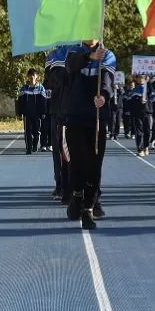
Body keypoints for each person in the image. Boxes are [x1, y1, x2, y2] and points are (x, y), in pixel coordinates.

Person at [63, 40, 116, 230]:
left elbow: (109, 80)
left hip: (97, 118)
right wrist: (89, 57)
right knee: (77, 162)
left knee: (94, 164)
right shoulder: (73, 52)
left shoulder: (108, 55)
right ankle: (77, 195)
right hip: (75, 116)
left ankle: (88, 208)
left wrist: (104, 95)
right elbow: (70, 67)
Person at [44, 46, 74, 202]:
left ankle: (77, 187)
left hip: (78, 111)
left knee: (77, 151)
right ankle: (61, 186)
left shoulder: (84, 51)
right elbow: (48, 82)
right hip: (58, 111)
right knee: (59, 151)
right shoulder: (54, 56)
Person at [16, 69, 47, 155]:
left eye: (33, 75)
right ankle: (28, 148)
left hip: (37, 114)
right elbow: (20, 102)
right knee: (27, 131)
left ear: (36, 76)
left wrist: (43, 112)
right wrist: (19, 113)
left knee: (36, 131)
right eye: (30, 75)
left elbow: (44, 102)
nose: (31, 77)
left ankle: (34, 145)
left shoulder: (41, 88)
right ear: (28, 77)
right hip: (27, 114)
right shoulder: (24, 88)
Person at [124, 75, 152, 156]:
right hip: (138, 113)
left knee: (147, 131)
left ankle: (146, 146)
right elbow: (131, 101)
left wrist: (148, 82)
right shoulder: (135, 89)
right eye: (140, 78)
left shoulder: (149, 87)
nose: (141, 79)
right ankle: (140, 149)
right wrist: (139, 100)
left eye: (143, 78)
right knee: (139, 132)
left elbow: (150, 92)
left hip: (147, 112)